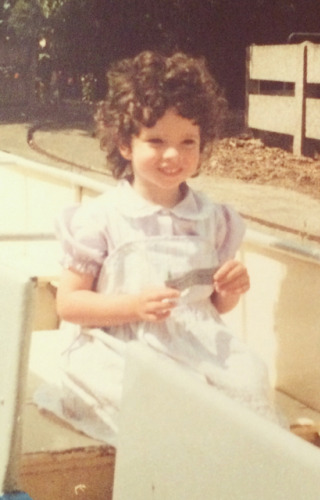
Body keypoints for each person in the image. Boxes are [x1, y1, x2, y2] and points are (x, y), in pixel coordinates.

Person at [40, 51, 281, 444]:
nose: (174, 155)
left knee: (251, 379)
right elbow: (69, 304)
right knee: (157, 402)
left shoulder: (212, 218)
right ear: (125, 145)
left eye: (189, 141)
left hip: (201, 345)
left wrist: (228, 290)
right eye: (156, 141)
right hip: (125, 344)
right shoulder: (102, 218)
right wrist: (132, 307)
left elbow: (213, 306)